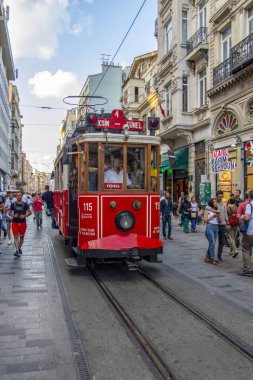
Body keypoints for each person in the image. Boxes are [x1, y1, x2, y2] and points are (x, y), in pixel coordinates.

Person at [8, 191, 32, 257]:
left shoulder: (25, 204)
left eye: (20, 195)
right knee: (15, 236)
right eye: (17, 195)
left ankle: (19, 248)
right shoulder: (13, 204)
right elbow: (9, 213)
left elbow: (30, 212)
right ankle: (17, 250)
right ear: (16, 197)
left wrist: (24, 216)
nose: (19, 196)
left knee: (21, 237)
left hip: (22, 223)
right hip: (15, 222)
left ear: (21, 196)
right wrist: (13, 215)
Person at [208, 190, 229, 263]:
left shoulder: (223, 204)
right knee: (212, 241)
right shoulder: (213, 204)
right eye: (219, 197)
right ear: (216, 196)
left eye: (222, 197)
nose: (221, 198)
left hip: (222, 225)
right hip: (215, 225)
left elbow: (225, 214)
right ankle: (210, 255)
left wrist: (227, 223)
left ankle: (219, 256)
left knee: (221, 241)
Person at [239, 190, 253, 276]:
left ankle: (247, 269)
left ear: (249, 197)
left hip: (250, 231)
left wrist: (242, 216)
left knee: (246, 249)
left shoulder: (249, 205)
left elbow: (247, 218)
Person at [203, 198, 220, 266]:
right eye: (214, 202)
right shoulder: (207, 210)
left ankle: (207, 257)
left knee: (212, 243)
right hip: (209, 227)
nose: (215, 203)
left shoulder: (216, 210)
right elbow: (205, 220)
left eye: (216, 202)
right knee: (212, 243)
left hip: (216, 227)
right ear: (211, 203)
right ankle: (212, 258)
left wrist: (218, 216)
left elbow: (219, 221)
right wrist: (213, 216)